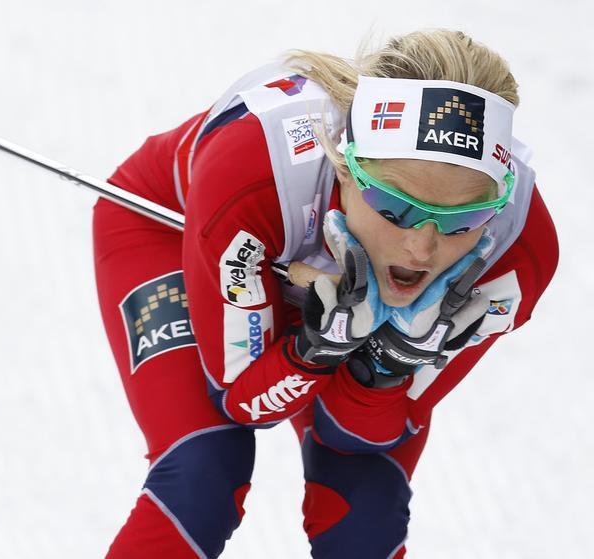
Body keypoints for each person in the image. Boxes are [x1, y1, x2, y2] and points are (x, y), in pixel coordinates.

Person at [91, 29, 558, 558]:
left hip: (298, 264)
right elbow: (245, 402)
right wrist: (315, 349)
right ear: (345, 167)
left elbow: (359, 441)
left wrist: (383, 370)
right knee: (202, 470)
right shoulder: (253, 174)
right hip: (178, 233)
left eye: (462, 221)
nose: (421, 249)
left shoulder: (517, 254)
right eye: (394, 208)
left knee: (367, 512)